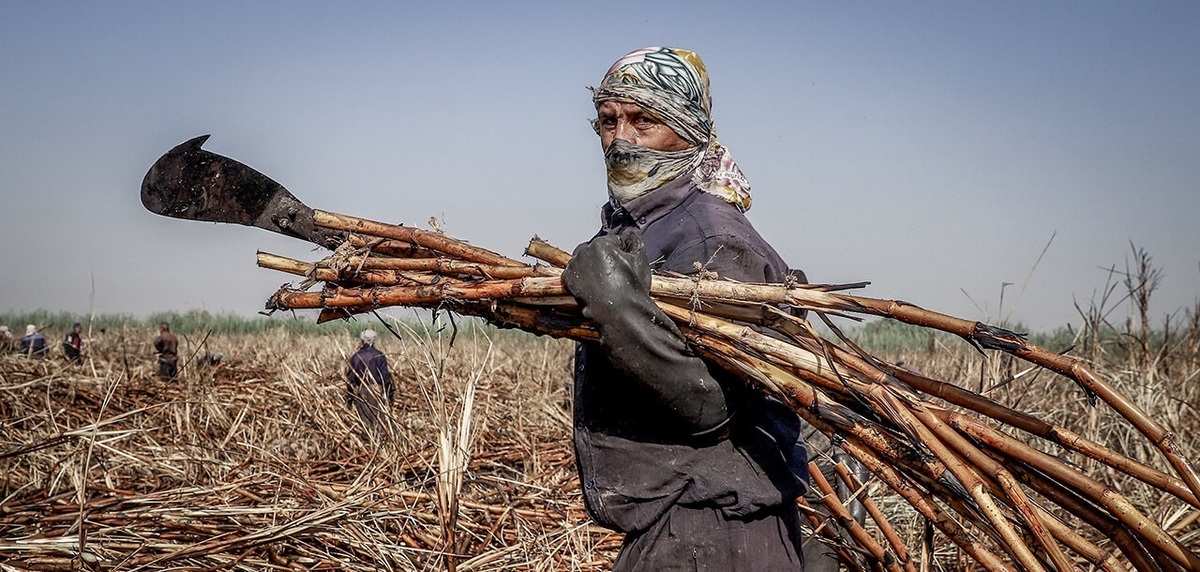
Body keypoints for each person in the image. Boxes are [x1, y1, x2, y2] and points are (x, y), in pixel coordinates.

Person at [560, 46, 832, 571]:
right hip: (680, 527)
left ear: (687, 129)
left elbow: (713, 408)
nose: (620, 139)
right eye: (607, 121)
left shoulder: (713, 238)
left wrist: (615, 305)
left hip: (712, 529)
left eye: (645, 121)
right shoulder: (641, 227)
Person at [345, 329, 394, 435]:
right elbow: (386, 378)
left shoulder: (356, 357)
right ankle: (380, 446)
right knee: (379, 422)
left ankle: (368, 445)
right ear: (374, 340)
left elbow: (350, 380)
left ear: (362, 340)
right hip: (376, 391)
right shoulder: (379, 356)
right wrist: (389, 395)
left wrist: (350, 399)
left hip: (362, 392)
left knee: (365, 425)